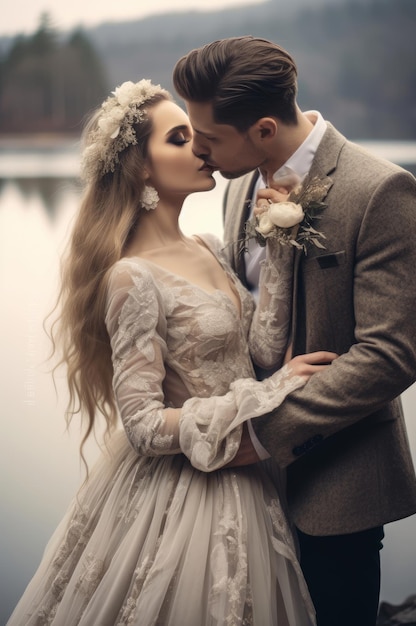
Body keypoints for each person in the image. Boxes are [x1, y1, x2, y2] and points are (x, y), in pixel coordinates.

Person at [6, 79, 338, 626]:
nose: (201, 148)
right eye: (180, 139)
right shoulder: (131, 277)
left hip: (251, 478)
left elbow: (259, 347)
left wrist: (278, 245)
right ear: (141, 167)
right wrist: (272, 392)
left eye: (198, 136)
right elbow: (140, 423)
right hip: (187, 494)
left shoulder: (207, 247)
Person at [173, 36, 416, 626]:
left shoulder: (380, 190)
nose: (199, 151)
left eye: (208, 138)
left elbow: (391, 354)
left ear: (261, 129)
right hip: (241, 491)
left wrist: (263, 434)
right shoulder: (236, 184)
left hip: (338, 479)